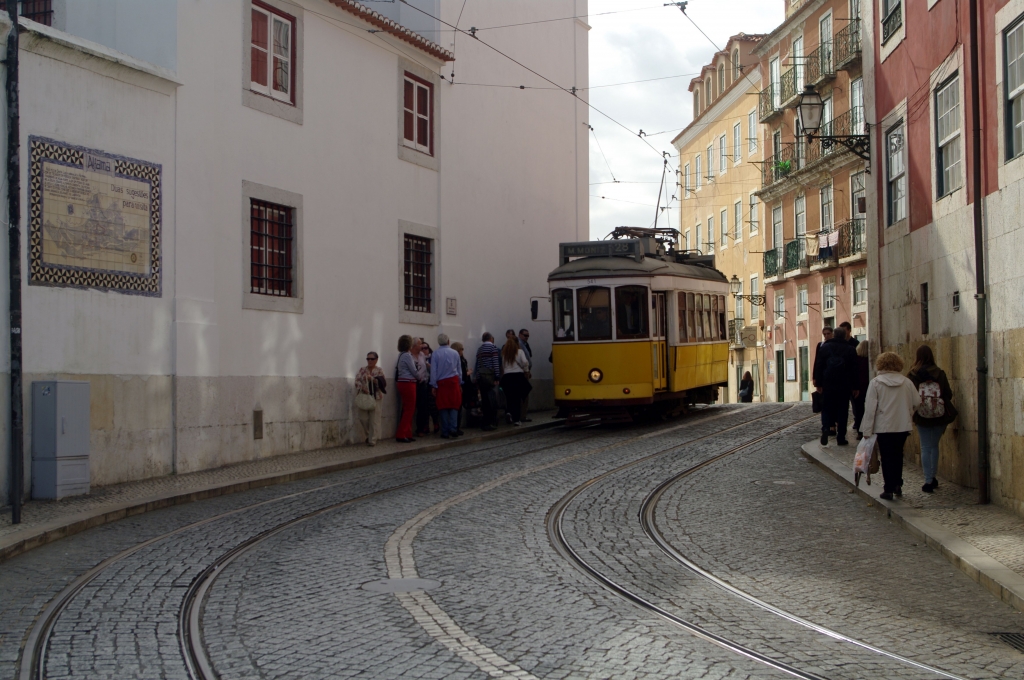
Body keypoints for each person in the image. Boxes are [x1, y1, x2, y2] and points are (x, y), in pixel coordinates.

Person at [860, 351, 921, 500]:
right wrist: (908, 412)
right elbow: (917, 402)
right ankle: (897, 483)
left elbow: (870, 408)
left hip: (883, 426)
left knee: (886, 456)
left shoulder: (875, 383)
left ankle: (888, 488)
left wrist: (867, 430)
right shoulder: (906, 382)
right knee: (898, 454)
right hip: (902, 425)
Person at [907, 345, 958, 493]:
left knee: (925, 447)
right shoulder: (939, 373)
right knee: (934, 446)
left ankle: (928, 480)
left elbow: (909, 397)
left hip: (921, 415)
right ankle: (933, 477)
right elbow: (948, 394)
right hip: (939, 415)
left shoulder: (912, 375)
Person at [812, 326, 858, 445]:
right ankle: (841, 437)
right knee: (843, 410)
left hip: (828, 384)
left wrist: (818, 383)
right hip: (844, 385)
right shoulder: (850, 349)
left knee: (827, 407)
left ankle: (826, 428)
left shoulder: (825, 348)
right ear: (844, 336)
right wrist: (855, 387)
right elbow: (854, 369)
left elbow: (819, 366)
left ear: (834, 335)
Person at [430, 334, 463, 439]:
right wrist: (460, 382)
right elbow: (459, 370)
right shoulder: (455, 353)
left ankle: (445, 431)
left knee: (443, 406)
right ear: (448, 341)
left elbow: (433, 371)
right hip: (453, 382)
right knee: (454, 405)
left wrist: (433, 385)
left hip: (442, 383)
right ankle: (453, 428)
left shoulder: (435, 354)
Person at [354, 351, 386, 446]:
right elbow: (357, 381)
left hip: (376, 397)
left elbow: (383, 383)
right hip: (364, 396)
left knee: (374, 420)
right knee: (363, 418)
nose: (370, 361)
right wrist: (363, 388)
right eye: (368, 359)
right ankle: (369, 435)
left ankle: (372, 440)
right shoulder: (362, 370)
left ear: (376, 360)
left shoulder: (379, 370)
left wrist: (372, 379)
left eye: (372, 359)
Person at [499, 336, 531, 426]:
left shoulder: (505, 353)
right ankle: (516, 419)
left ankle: (509, 412)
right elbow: (525, 362)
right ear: (517, 343)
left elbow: (503, 366)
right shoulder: (520, 351)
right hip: (517, 377)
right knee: (517, 399)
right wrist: (526, 370)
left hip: (507, 377)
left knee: (509, 398)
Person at [474, 332, 501, 431]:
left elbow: (478, 364)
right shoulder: (493, 348)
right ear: (490, 339)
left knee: (484, 400)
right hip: (490, 377)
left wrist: (477, 377)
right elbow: (495, 362)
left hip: (481, 377)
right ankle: (490, 421)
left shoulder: (479, 349)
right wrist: (497, 376)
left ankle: (485, 421)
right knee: (491, 400)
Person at [394, 336, 419, 443]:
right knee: (409, 409)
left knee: (407, 408)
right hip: (408, 383)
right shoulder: (408, 356)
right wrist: (420, 377)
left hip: (402, 382)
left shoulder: (401, 355)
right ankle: (401, 434)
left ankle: (408, 433)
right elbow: (414, 371)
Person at [452, 341, 474, 435]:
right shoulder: (459, 360)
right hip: (462, 384)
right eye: (461, 349)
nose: (462, 351)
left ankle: (457, 426)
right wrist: (468, 373)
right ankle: (456, 427)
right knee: (458, 406)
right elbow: (461, 373)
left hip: (465, 384)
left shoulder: (462, 359)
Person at [851, 340, 871, 440]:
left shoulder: (855, 360)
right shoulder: (869, 361)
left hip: (857, 389)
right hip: (868, 387)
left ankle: (860, 431)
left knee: (858, 411)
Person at [518, 328, 533, 422]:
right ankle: (522, 416)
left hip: (523, 372)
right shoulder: (520, 344)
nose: (527, 337)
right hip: (523, 372)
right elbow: (525, 361)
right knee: (524, 394)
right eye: (525, 335)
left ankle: (521, 415)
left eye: (528, 336)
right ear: (520, 335)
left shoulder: (525, 344)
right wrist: (527, 371)